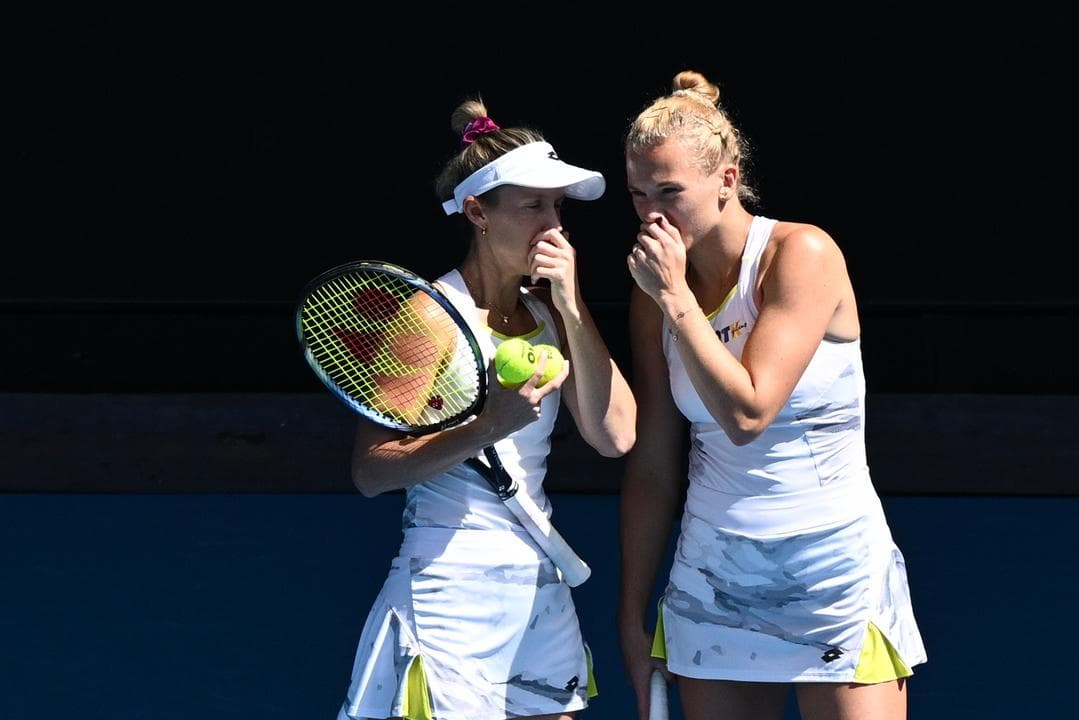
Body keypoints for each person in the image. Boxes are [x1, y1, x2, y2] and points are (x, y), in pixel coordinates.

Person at [616, 70, 927, 720]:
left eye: (670, 192)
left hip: (833, 571)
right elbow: (652, 463)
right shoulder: (654, 299)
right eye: (639, 194)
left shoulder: (801, 254)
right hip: (713, 579)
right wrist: (631, 610)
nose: (652, 215)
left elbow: (749, 412)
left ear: (727, 180)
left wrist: (675, 299)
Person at [335, 98, 637, 720]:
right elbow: (372, 472)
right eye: (532, 206)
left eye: (558, 206)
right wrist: (489, 426)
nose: (553, 224)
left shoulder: (553, 316)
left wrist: (573, 305)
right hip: (448, 594)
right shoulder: (427, 317)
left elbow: (617, 437)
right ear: (477, 212)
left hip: (538, 593)